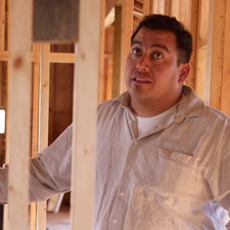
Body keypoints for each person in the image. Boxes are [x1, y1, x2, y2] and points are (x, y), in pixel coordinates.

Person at [1, 14, 230, 229]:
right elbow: (43, 176)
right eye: (136, 50)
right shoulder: (101, 120)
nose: (141, 64)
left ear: (182, 72)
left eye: (157, 55)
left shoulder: (216, 133)